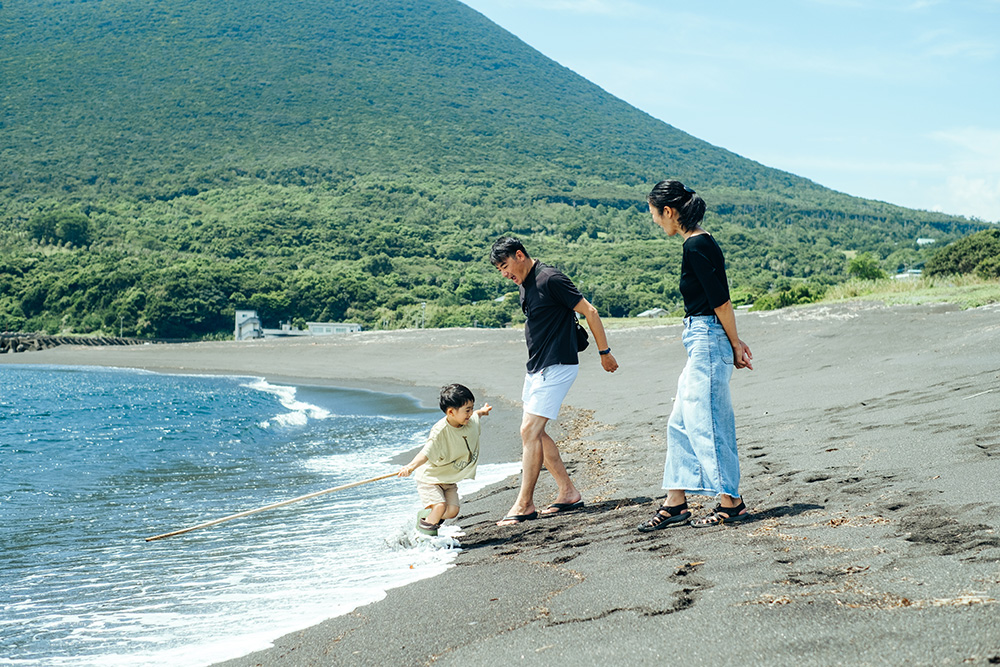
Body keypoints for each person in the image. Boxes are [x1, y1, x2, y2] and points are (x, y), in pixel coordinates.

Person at [638, 180, 754, 532]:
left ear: (669, 212)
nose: (655, 222)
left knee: (708, 422)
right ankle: (676, 501)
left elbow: (721, 300)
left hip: (707, 337)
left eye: (655, 215)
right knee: (679, 421)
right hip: (699, 338)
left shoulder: (698, 246)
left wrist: (735, 344)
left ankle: (730, 503)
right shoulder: (696, 243)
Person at [489, 237, 619, 526]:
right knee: (533, 433)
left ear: (519, 255)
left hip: (558, 364)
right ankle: (568, 492)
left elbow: (590, 311)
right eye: (499, 269)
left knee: (529, 431)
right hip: (537, 367)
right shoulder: (524, 284)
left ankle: (524, 504)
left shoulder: (550, 278)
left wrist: (605, 352)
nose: (504, 274)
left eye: (505, 266)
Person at [398, 383, 492, 536]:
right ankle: (424, 538)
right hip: (431, 478)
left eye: (472, 408)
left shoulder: (470, 420)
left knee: (453, 511)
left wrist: (483, 411)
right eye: (467, 410)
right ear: (451, 412)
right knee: (440, 506)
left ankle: (426, 518)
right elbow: (425, 453)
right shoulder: (440, 431)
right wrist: (410, 466)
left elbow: (477, 415)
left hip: (448, 479)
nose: (471, 413)